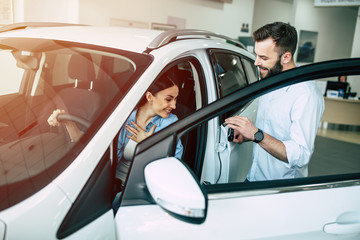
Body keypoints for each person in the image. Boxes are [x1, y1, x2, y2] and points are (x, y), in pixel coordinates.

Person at [225, 22, 324, 181]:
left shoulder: (306, 95)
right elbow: (270, 129)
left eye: (263, 57)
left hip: (280, 189)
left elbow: (301, 155)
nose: (256, 62)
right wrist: (248, 135)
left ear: (286, 57)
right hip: (254, 176)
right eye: (256, 55)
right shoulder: (270, 81)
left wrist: (257, 135)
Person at [113, 73, 183, 210]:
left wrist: (148, 145)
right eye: (169, 99)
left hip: (142, 190)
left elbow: (174, 165)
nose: (174, 106)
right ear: (150, 97)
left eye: (175, 99)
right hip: (111, 184)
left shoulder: (171, 123)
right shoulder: (124, 116)